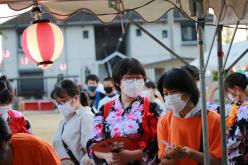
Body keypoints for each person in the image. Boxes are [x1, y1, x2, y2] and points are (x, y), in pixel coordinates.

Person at [87, 58, 162, 164]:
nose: (134, 82)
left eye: (138, 78)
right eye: (129, 78)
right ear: (117, 81)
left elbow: (160, 142)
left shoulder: (153, 108)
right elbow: (93, 144)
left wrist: (130, 155)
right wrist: (107, 156)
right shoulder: (105, 109)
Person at [157, 68, 222, 165]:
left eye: (174, 92)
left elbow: (219, 161)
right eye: (166, 94)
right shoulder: (164, 121)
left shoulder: (213, 120)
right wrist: (169, 155)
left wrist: (191, 154)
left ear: (189, 91)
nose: (170, 97)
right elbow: (164, 160)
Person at [51, 79, 94, 165]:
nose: (60, 106)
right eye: (58, 102)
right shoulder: (64, 121)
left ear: (76, 98)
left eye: (63, 101)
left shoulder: (86, 117)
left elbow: (92, 152)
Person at [224, 72, 248, 164]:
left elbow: (235, 139)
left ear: (236, 89)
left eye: (229, 92)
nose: (228, 96)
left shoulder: (244, 110)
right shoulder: (239, 107)